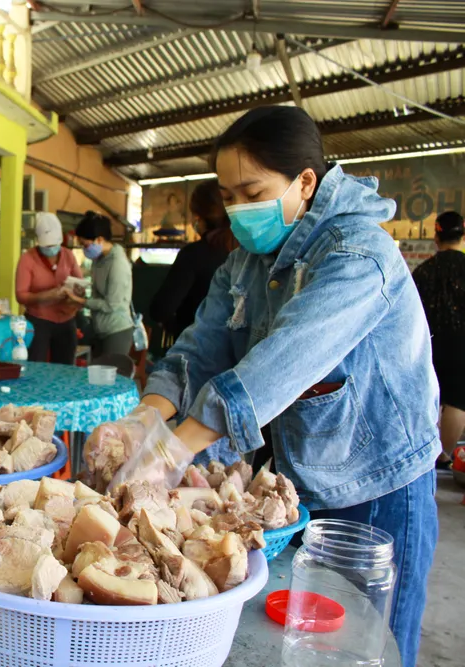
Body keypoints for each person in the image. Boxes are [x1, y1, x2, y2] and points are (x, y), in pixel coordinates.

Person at [127, 106, 437, 667]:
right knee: (301, 644)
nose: (239, 209)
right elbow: (203, 343)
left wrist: (176, 446)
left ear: (306, 181)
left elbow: (282, 364)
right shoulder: (246, 260)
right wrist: (147, 415)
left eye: (252, 190)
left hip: (378, 485)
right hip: (299, 483)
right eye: (227, 195)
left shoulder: (357, 254)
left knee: (368, 648)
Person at [150, 180, 237, 342]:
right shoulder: (246, 252)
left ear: (198, 216)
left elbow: (161, 309)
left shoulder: (194, 255)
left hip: (195, 349)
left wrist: (173, 324)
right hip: (237, 351)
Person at [413, 210, 465, 469]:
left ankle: (428, 452)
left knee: (430, 395)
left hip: (428, 343)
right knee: (457, 399)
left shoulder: (424, 271)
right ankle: (444, 456)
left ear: (436, 236)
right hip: (461, 345)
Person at [14, 213, 83, 364]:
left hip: (67, 321)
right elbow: (20, 295)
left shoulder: (68, 256)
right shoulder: (27, 259)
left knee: (66, 368)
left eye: (54, 246)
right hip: (39, 321)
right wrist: (46, 296)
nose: (51, 250)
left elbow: (81, 283)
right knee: (36, 365)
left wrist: (75, 294)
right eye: (47, 247)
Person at [68, 212, 134, 358]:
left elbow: (112, 304)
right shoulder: (99, 259)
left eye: (85, 245)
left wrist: (80, 301)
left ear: (99, 239)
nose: (84, 249)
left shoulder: (117, 263)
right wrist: (82, 293)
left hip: (117, 330)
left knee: (111, 377)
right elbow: (98, 292)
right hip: (100, 328)